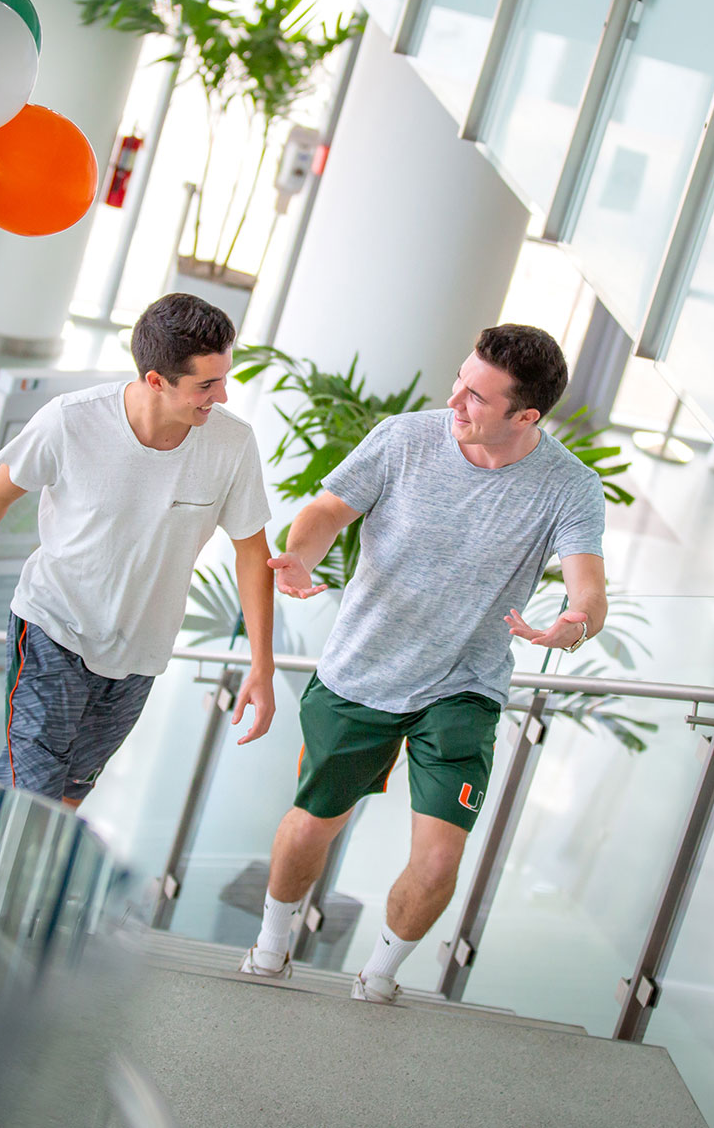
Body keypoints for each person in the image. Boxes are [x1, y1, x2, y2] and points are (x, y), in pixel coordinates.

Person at [240, 325, 608, 1000]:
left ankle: (378, 975)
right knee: (314, 823)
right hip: (362, 671)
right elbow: (326, 510)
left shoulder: (568, 486)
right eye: (460, 381)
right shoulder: (405, 438)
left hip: (464, 685)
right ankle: (272, 941)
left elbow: (589, 587)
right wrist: (302, 555)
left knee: (440, 859)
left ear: (525, 416)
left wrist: (575, 623)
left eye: (477, 397)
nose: (456, 401)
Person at [0, 294, 277, 805]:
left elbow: (252, 551)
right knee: (34, 793)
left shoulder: (232, 444)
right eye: (206, 384)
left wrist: (262, 666)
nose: (221, 395)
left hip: (139, 654)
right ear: (155, 380)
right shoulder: (71, 421)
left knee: (66, 797)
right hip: (53, 627)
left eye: (224, 378)